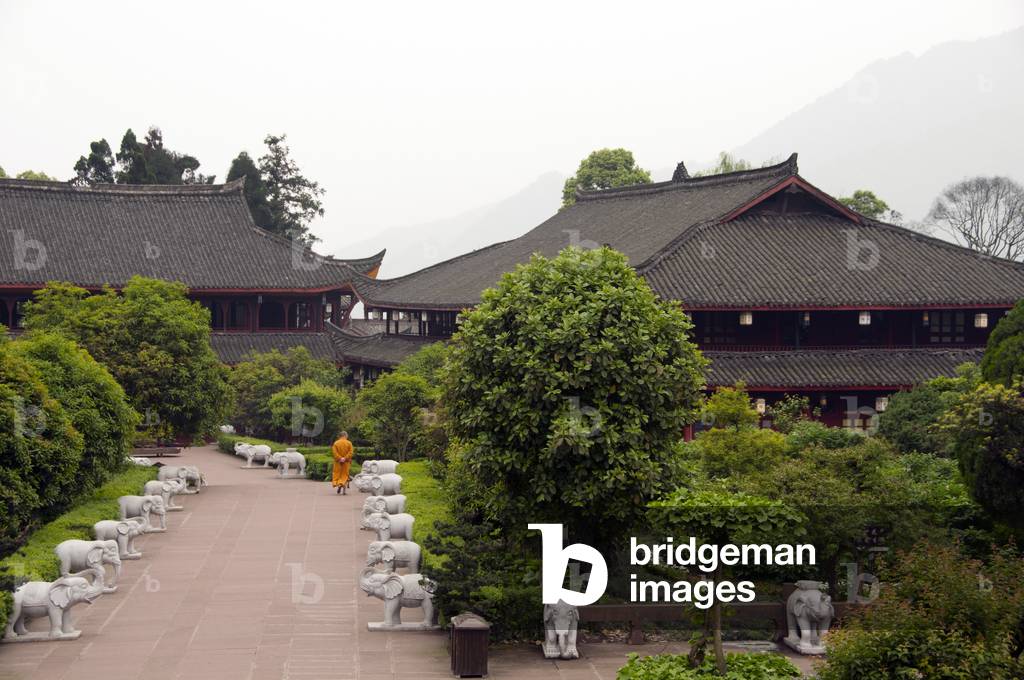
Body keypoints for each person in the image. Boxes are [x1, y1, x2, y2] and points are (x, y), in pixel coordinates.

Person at [331, 431, 353, 495]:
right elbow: (351, 452)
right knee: (345, 475)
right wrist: (345, 458)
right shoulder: (349, 443)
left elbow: (334, 453)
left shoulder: (336, 443)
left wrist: (340, 458)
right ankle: (344, 491)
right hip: (346, 462)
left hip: (338, 462)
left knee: (338, 474)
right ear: (345, 435)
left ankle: (339, 485)